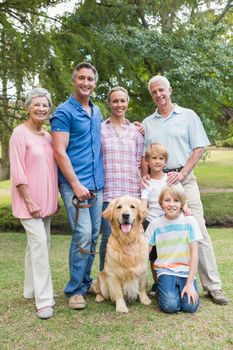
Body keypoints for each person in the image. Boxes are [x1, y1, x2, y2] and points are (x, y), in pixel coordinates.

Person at [142, 75, 228, 305]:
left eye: (162, 90)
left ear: (169, 90)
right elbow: (144, 155)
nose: (159, 95)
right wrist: (144, 176)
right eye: (154, 92)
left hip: (184, 179)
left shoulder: (188, 115)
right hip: (158, 182)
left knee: (197, 228)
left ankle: (213, 286)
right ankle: (161, 281)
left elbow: (198, 148)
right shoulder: (147, 123)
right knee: (159, 230)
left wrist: (182, 174)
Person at [50, 62, 104, 310]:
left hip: (97, 184)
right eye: (81, 78)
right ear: (74, 80)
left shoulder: (97, 111)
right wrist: (75, 183)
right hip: (75, 186)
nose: (86, 83)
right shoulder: (64, 112)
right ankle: (74, 290)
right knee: (81, 234)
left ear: (95, 83)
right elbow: (60, 152)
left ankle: (85, 281)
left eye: (90, 79)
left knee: (93, 235)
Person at [9, 88, 59, 319]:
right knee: (39, 248)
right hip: (29, 203)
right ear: (28, 107)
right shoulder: (19, 134)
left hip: (46, 203)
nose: (41, 108)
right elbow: (18, 172)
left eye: (45, 105)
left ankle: (31, 289)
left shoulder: (48, 136)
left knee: (38, 245)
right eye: (36, 104)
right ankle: (44, 301)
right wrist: (29, 201)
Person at [99, 86, 144, 271]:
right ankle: (107, 277)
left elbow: (140, 162)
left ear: (127, 103)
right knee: (107, 238)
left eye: (122, 101)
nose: (119, 104)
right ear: (109, 103)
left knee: (135, 237)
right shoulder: (100, 129)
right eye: (115, 101)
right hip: (109, 194)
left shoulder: (136, 132)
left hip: (132, 192)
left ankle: (134, 277)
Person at [141, 143, 190, 296]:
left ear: (165, 161)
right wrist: (141, 220)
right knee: (153, 256)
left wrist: (186, 209)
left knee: (168, 252)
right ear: (147, 161)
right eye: (154, 158)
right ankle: (156, 283)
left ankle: (172, 278)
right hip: (151, 223)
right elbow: (144, 204)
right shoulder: (146, 182)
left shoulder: (170, 179)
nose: (157, 161)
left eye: (161, 158)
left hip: (170, 223)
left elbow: (181, 197)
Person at [145, 185, 202, 313]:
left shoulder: (190, 222)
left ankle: (178, 289)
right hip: (166, 271)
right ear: (161, 203)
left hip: (186, 272)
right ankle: (163, 289)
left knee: (190, 307)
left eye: (176, 200)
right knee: (170, 306)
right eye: (167, 200)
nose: (172, 204)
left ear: (182, 203)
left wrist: (189, 284)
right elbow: (145, 251)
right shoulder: (155, 224)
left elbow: (194, 255)